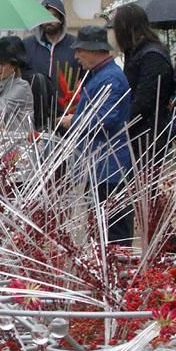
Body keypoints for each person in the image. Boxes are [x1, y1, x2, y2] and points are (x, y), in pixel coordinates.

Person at [58, 27, 134, 244]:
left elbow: (105, 119)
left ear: (94, 50)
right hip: (100, 165)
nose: (76, 56)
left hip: (110, 165)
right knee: (102, 228)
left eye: (80, 50)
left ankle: (118, 274)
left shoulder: (110, 78)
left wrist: (73, 121)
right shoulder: (101, 75)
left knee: (113, 231)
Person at [113, 4, 176, 161]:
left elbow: (145, 100)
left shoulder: (151, 55)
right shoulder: (137, 52)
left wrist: (122, 125)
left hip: (149, 137)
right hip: (140, 135)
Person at [0, 36, 54, 132]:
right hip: (2, 143)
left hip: (22, 144)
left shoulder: (21, 87)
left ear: (13, 66)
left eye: (2, 64)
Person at [22, 0, 79, 113]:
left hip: (66, 110)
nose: (48, 20)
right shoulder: (27, 45)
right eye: (45, 16)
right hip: (34, 109)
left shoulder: (74, 45)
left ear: (61, 19)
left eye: (53, 16)